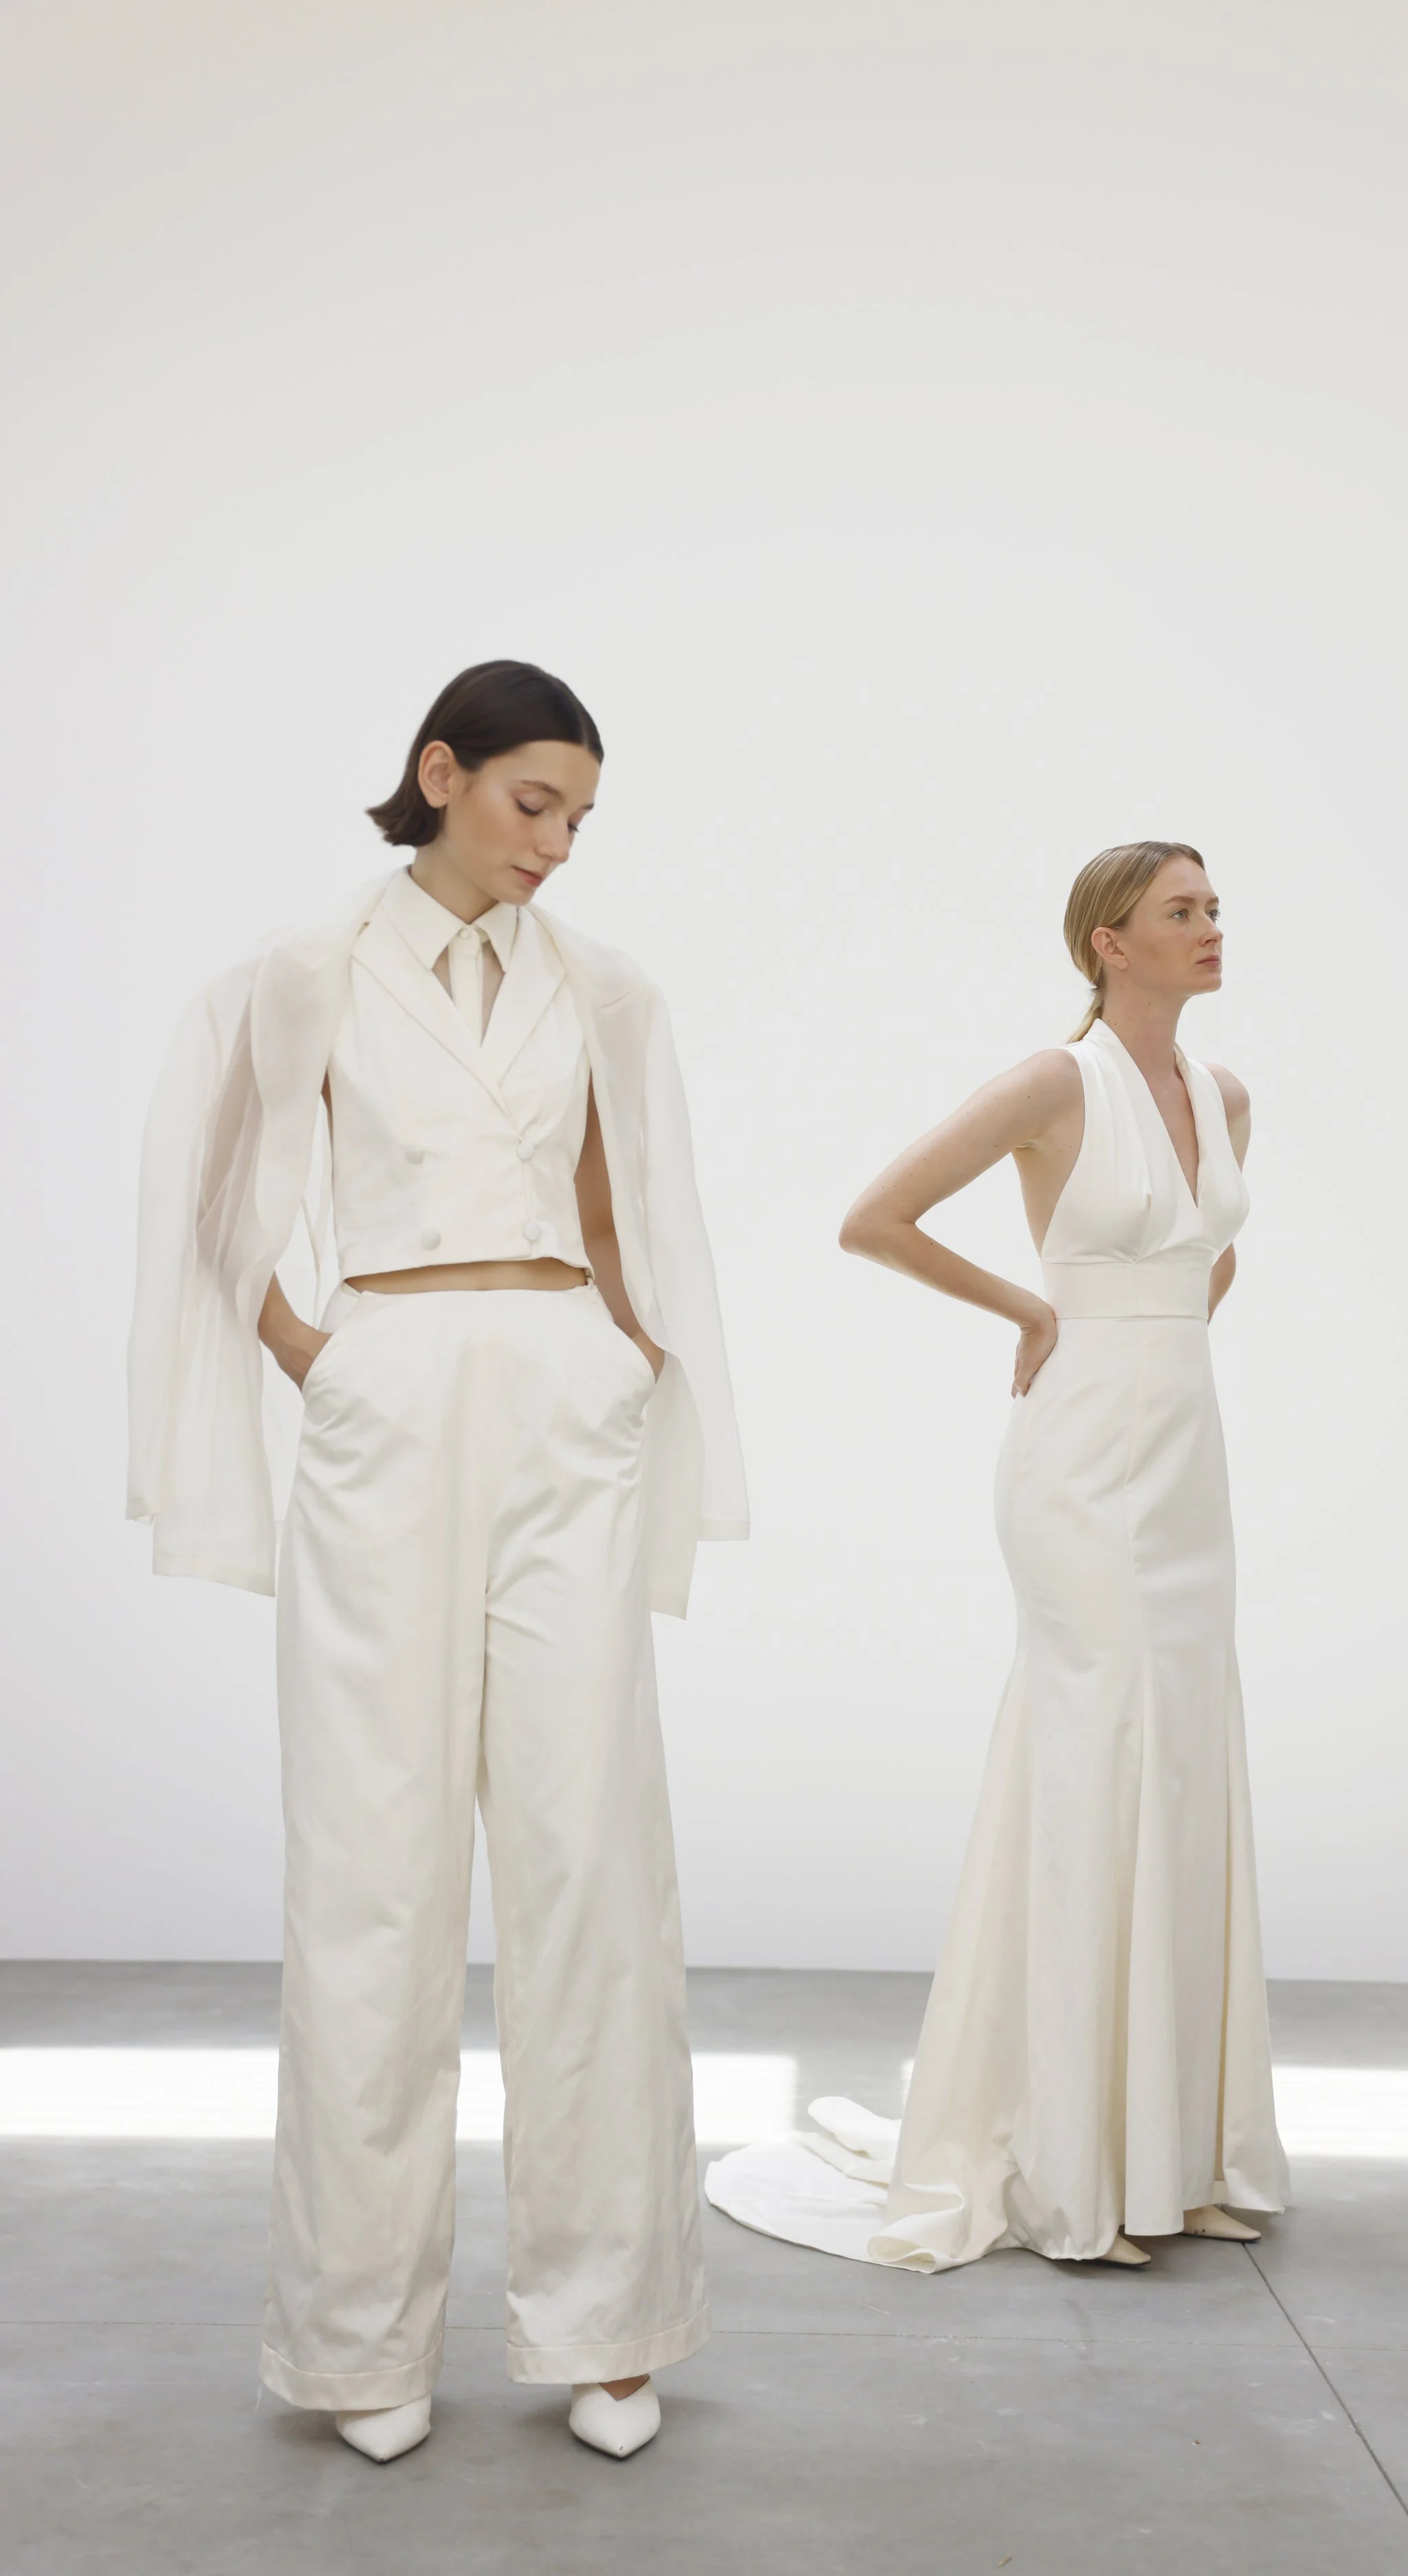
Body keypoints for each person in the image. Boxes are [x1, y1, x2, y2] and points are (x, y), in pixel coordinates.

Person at [128, 660, 747, 2459]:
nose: (557, 842)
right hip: (387, 1390)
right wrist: (319, 1357)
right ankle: (357, 2337)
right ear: (440, 772)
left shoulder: (604, 989)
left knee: (587, 1855)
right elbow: (212, 1202)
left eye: (581, 817)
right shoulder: (304, 972)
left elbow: (628, 1209)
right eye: (533, 801)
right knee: (372, 1868)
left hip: (564, 1398)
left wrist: (626, 1361)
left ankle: (609, 2322)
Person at [706, 841, 1286, 2268]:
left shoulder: (1224, 1096)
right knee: (1093, 1758)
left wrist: (1159, 1336)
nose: (1212, 927)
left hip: (1187, 1462)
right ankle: (1070, 2163)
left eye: (1214, 907)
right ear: (1108, 942)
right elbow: (873, 1220)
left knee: (1185, 1761)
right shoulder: (1051, 1082)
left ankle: (1175, 2157)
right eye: (1181, 911)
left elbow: (1207, 1257)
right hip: (1079, 1464)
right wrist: (1037, 1314)